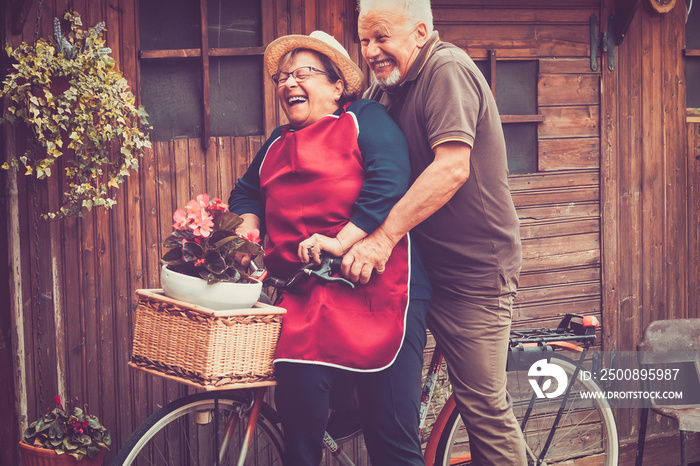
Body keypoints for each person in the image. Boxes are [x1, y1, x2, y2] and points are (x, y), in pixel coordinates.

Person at [227, 31, 431, 466]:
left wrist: (342, 240)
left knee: (391, 439)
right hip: (304, 297)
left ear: (338, 87)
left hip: (378, 288)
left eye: (303, 73)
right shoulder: (277, 143)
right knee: (300, 436)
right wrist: (247, 229)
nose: (288, 83)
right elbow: (245, 193)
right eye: (283, 77)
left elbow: (390, 178)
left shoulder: (365, 118)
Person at [344, 1, 528, 464]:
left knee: (482, 407)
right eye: (364, 40)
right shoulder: (388, 88)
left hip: (474, 274)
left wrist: (381, 238)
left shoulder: (445, 69)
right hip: (421, 274)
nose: (370, 51)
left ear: (420, 32)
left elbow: (451, 168)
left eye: (381, 37)